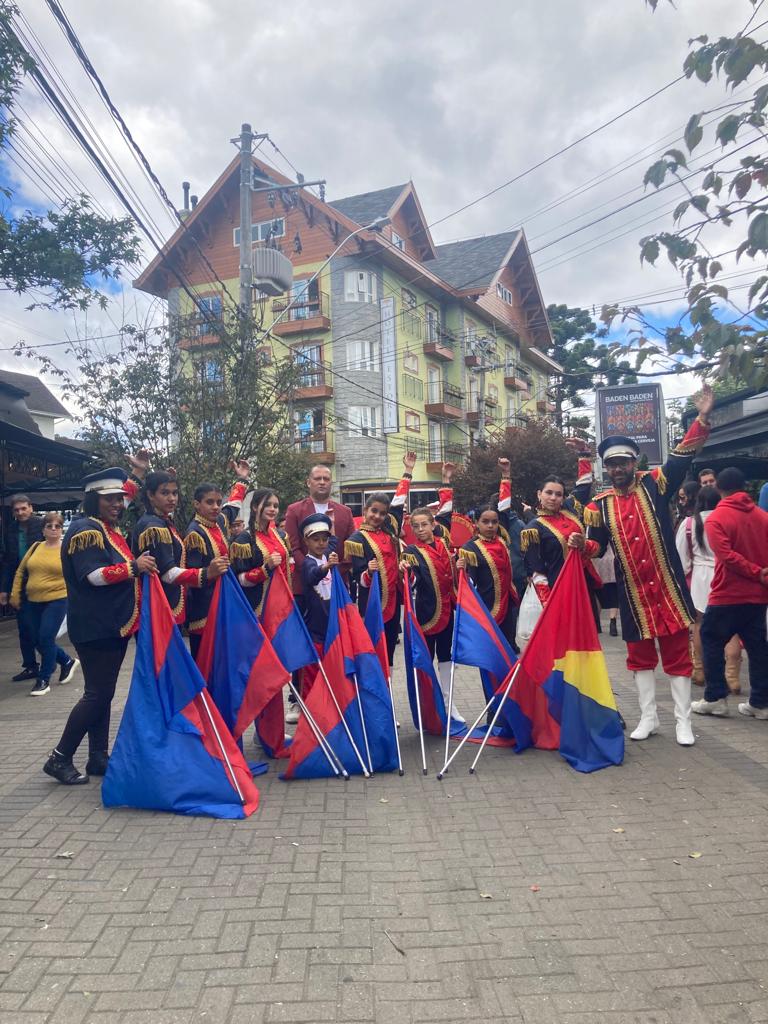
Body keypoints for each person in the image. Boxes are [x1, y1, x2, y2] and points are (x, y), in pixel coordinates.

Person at [585, 383, 714, 746]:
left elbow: (680, 458)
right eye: (611, 465)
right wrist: (582, 545)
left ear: (634, 462)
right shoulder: (599, 505)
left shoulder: (656, 484)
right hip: (634, 595)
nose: (617, 469)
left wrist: (702, 419)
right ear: (607, 469)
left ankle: (682, 722)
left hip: (668, 589)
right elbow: (598, 549)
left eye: (623, 462)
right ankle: (648, 718)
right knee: (639, 659)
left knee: (677, 656)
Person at [42, 468, 157, 785]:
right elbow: (93, 575)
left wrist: (135, 474)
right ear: (94, 500)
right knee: (97, 694)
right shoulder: (86, 531)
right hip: (97, 627)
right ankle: (60, 757)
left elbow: (122, 498)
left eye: (121, 498)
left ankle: (97, 757)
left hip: (110, 625)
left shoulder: (103, 527)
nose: (118, 504)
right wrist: (134, 567)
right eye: (110, 500)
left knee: (102, 694)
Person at [691, 467, 768, 720]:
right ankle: (759, 702)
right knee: (757, 647)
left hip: (727, 594)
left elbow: (726, 556)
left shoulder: (716, 518)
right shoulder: (762, 516)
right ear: (745, 486)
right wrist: (761, 574)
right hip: (757, 596)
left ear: (718, 489)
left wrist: (755, 571)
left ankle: (715, 697)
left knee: (711, 639)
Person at [399, 463, 462, 718]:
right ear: (412, 529)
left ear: (433, 524)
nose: (421, 529)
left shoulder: (445, 542)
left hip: (449, 609)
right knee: (427, 659)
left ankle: (449, 702)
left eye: (425, 524)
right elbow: (413, 578)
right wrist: (406, 568)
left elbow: (447, 510)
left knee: (446, 657)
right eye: (416, 526)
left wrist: (446, 479)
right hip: (427, 614)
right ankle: (430, 706)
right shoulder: (412, 551)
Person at [131, 469, 228, 625]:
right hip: (162, 608)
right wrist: (207, 573)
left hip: (169, 605)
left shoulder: (162, 520)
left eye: (175, 493)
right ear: (150, 495)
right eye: (165, 493)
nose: (172, 498)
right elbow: (167, 573)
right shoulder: (153, 527)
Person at [345, 453, 415, 666]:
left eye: (382, 513)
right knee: (372, 650)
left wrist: (408, 471)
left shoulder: (390, 528)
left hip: (394, 603)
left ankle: (389, 688)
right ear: (365, 511)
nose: (377, 516)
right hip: (372, 603)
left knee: (390, 652)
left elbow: (399, 499)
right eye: (374, 511)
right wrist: (368, 571)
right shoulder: (356, 539)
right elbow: (358, 578)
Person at [676, 486, 742, 691]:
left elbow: (681, 558)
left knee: (699, 626)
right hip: (725, 575)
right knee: (731, 627)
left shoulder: (689, 524)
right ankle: (732, 677)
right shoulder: (729, 520)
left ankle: (699, 670)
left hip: (699, 579)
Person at [183, 464, 250, 659]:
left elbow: (233, 506)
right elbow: (191, 577)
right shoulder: (194, 533)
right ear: (197, 504)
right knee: (205, 661)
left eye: (218, 502)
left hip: (223, 604)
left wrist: (242, 479)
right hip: (203, 608)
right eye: (209, 502)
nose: (215, 507)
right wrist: (209, 572)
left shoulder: (218, 521)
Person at [10, 512, 79, 696]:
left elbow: (75, 574)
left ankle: (44, 679)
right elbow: (20, 571)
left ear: (61, 529)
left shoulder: (66, 548)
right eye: (50, 526)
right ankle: (66, 661)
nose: (54, 529)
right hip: (33, 600)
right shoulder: (35, 547)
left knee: (45, 638)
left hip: (57, 599)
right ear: (43, 529)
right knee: (34, 639)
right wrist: (15, 594)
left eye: (57, 526)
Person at [459, 459, 519, 651]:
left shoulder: (502, 538)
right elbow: (469, 585)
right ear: (477, 523)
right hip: (486, 606)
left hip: (508, 604)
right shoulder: (470, 549)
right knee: (491, 652)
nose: (491, 526)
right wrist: (460, 569)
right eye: (486, 522)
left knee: (508, 649)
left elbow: (504, 506)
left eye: (494, 522)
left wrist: (506, 475)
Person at [520, 467, 600, 607]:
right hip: (558, 589)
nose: (553, 498)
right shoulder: (533, 529)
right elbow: (536, 570)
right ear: (539, 494)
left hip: (584, 584)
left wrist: (583, 454)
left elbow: (583, 486)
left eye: (558, 494)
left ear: (563, 498)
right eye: (549, 493)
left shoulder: (569, 511)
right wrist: (548, 602)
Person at [285, 464, 355, 594]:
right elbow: (293, 548)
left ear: (331, 483)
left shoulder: (345, 512)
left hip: (337, 582)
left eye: (326, 479)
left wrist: (333, 570)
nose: (322, 482)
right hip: (305, 584)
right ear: (308, 482)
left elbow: (350, 548)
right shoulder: (294, 510)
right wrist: (312, 570)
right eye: (317, 478)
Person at [0, 494, 45, 682]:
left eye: (23, 508)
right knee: (25, 628)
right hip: (19, 586)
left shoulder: (43, 525)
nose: (20, 512)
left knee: (42, 629)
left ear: (31, 508)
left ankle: (57, 661)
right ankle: (30, 666)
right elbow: (8, 561)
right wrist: (4, 589)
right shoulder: (10, 529)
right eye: (16, 510)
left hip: (42, 583)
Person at [230, 487, 292, 615]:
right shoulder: (244, 540)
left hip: (282, 602)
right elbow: (240, 579)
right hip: (258, 606)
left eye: (275, 506)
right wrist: (266, 568)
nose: (272, 509)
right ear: (254, 507)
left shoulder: (281, 536)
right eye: (267, 504)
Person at [298, 513, 339, 698]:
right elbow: (313, 575)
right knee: (312, 675)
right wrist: (327, 567)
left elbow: (333, 541)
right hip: (315, 630)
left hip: (331, 627)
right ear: (306, 541)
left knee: (332, 673)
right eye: (316, 539)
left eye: (324, 539)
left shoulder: (327, 553)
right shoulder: (308, 563)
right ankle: (310, 713)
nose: (321, 543)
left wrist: (333, 524)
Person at [594, 549, 619, 636]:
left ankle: (596, 624)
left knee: (597, 591)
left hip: (597, 559)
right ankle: (613, 623)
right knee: (614, 591)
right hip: (612, 558)